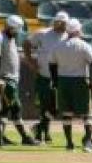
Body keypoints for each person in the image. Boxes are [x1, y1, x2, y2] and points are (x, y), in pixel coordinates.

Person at [48, 18, 92, 152]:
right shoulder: (83, 45)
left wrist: (55, 82)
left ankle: (69, 144)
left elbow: (52, 65)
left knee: (66, 114)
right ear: (78, 30)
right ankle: (88, 142)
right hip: (80, 81)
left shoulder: (58, 46)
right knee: (88, 114)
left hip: (63, 81)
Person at [0, 15, 38, 146]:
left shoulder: (11, 38)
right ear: (9, 27)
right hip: (5, 79)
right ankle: (24, 137)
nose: (17, 32)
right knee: (14, 107)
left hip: (12, 79)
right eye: (15, 29)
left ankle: (1, 138)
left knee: (7, 108)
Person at [24, 11, 67, 143]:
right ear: (56, 22)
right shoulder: (43, 33)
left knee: (56, 107)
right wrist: (30, 61)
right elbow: (27, 43)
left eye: (65, 23)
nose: (63, 26)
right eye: (61, 23)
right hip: (44, 76)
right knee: (44, 106)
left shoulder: (67, 36)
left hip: (60, 77)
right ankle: (44, 133)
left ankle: (39, 127)